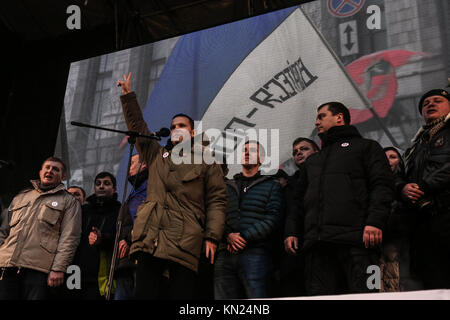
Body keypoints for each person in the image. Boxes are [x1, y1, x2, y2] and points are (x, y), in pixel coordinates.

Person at [118, 72, 227, 300]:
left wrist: (212, 237)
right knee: (144, 294)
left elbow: (217, 200)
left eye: (182, 125)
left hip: (185, 239)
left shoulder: (207, 159)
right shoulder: (157, 155)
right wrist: (128, 97)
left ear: (193, 132)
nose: (176, 128)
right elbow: (138, 127)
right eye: (173, 125)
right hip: (151, 237)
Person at [287, 102, 394, 295]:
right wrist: (292, 231)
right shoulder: (313, 161)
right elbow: (298, 201)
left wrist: (375, 222)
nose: (316, 121)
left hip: (361, 243)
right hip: (317, 247)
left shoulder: (367, 147)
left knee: (368, 296)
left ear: (339, 117)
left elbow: (382, 185)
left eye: (321, 116)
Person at [0, 157, 81, 300]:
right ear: (40, 172)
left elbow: (69, 237)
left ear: (63, 177)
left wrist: (58, 268)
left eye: (55, 169)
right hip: (6, 266)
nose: (50, 171)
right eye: (47, 167)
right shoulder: (21, 197)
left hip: (38, 270)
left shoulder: (69, 201)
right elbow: (3, 232)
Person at [214, 140, 282, 299]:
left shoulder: (272, 185)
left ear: (261, 159)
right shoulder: (226, 186)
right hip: (225, 253)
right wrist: (228, 236)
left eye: (252, 150)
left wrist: (243, 237)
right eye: (244, 150)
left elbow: (273, 218)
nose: (246, 153)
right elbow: (216, 214)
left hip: (256, 252)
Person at [396, 88, 450, 289]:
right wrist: (402, 188)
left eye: (438, 100)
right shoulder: (415, 146)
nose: (431, 104)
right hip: (422, 221)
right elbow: (397, 176)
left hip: (446, 212)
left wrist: (425, 186)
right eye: (426, 103)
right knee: (431, 280)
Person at [281, 137, 319, 297]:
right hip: (299, 246)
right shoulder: (289, 183)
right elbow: (293, 211)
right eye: (295, 152)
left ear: (317, 152)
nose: (299, 153)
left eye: (304, 149)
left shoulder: (328, 176)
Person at [74, 172, 121, 300]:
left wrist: (102, 238)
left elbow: (119, 238)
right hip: (78, 270)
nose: (101, 186)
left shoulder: (120, 210)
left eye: (106, 183)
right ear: (94, 188)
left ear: (114, 189)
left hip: (103, 274)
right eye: (98, 183)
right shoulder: (84, 210)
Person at [114, 151, 148, 300]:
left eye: (132, 164)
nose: (129, 169)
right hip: (125, 263)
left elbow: (145, 219)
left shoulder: (151, 189)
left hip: (141, 258)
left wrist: (127, 239)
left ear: (144, 164)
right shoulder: (134, 192)